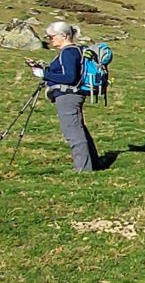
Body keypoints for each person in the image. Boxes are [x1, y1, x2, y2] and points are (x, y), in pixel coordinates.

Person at [25, 21, 97, 172]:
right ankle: (92, 163)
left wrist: (44, 74)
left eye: (51, 37)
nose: (49, 40)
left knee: (72, 131)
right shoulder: (75, 51)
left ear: (64, 36)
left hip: (67, 96)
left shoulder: (68, 52)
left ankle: (83, 169)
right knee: (78, 128)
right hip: (72, 95)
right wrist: (43, 69)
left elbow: (69, 77)